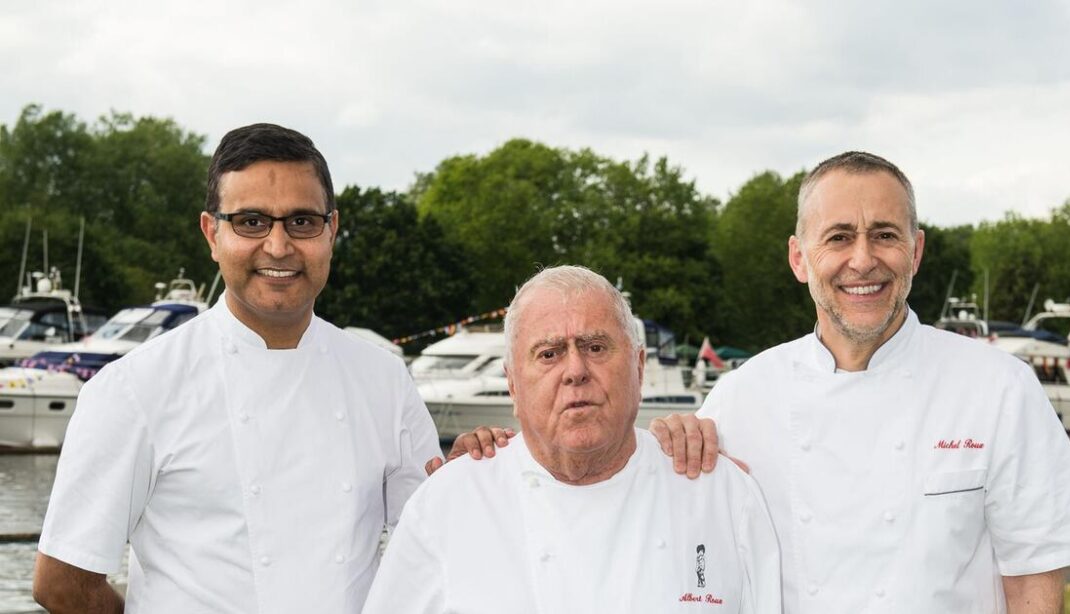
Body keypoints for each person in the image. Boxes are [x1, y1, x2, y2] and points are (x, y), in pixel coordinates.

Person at [647, 151, 1070, 612]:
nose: (863, 260)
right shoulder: (739, 399)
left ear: (916, 252)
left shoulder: (1000, 388)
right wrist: (669, 449)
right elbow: (693, 556)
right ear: (799, 259)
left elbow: (1033, 578)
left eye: (885, 235)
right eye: (838, 237)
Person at [32, 123, 441, 614]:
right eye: (251, 222)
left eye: (302, 222)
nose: (278, 246)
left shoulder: (384, 380)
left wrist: (487, 464)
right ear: (212, 233)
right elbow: (62, 581)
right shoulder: (133, 389)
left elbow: (435, 541)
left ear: (331, 230)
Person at [361, 265, 782, 613]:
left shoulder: (720, 492)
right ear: (512, 383)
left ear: (638, 366)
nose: (575, 370)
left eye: (596, 347)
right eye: (549, 354)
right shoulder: (448, 503)